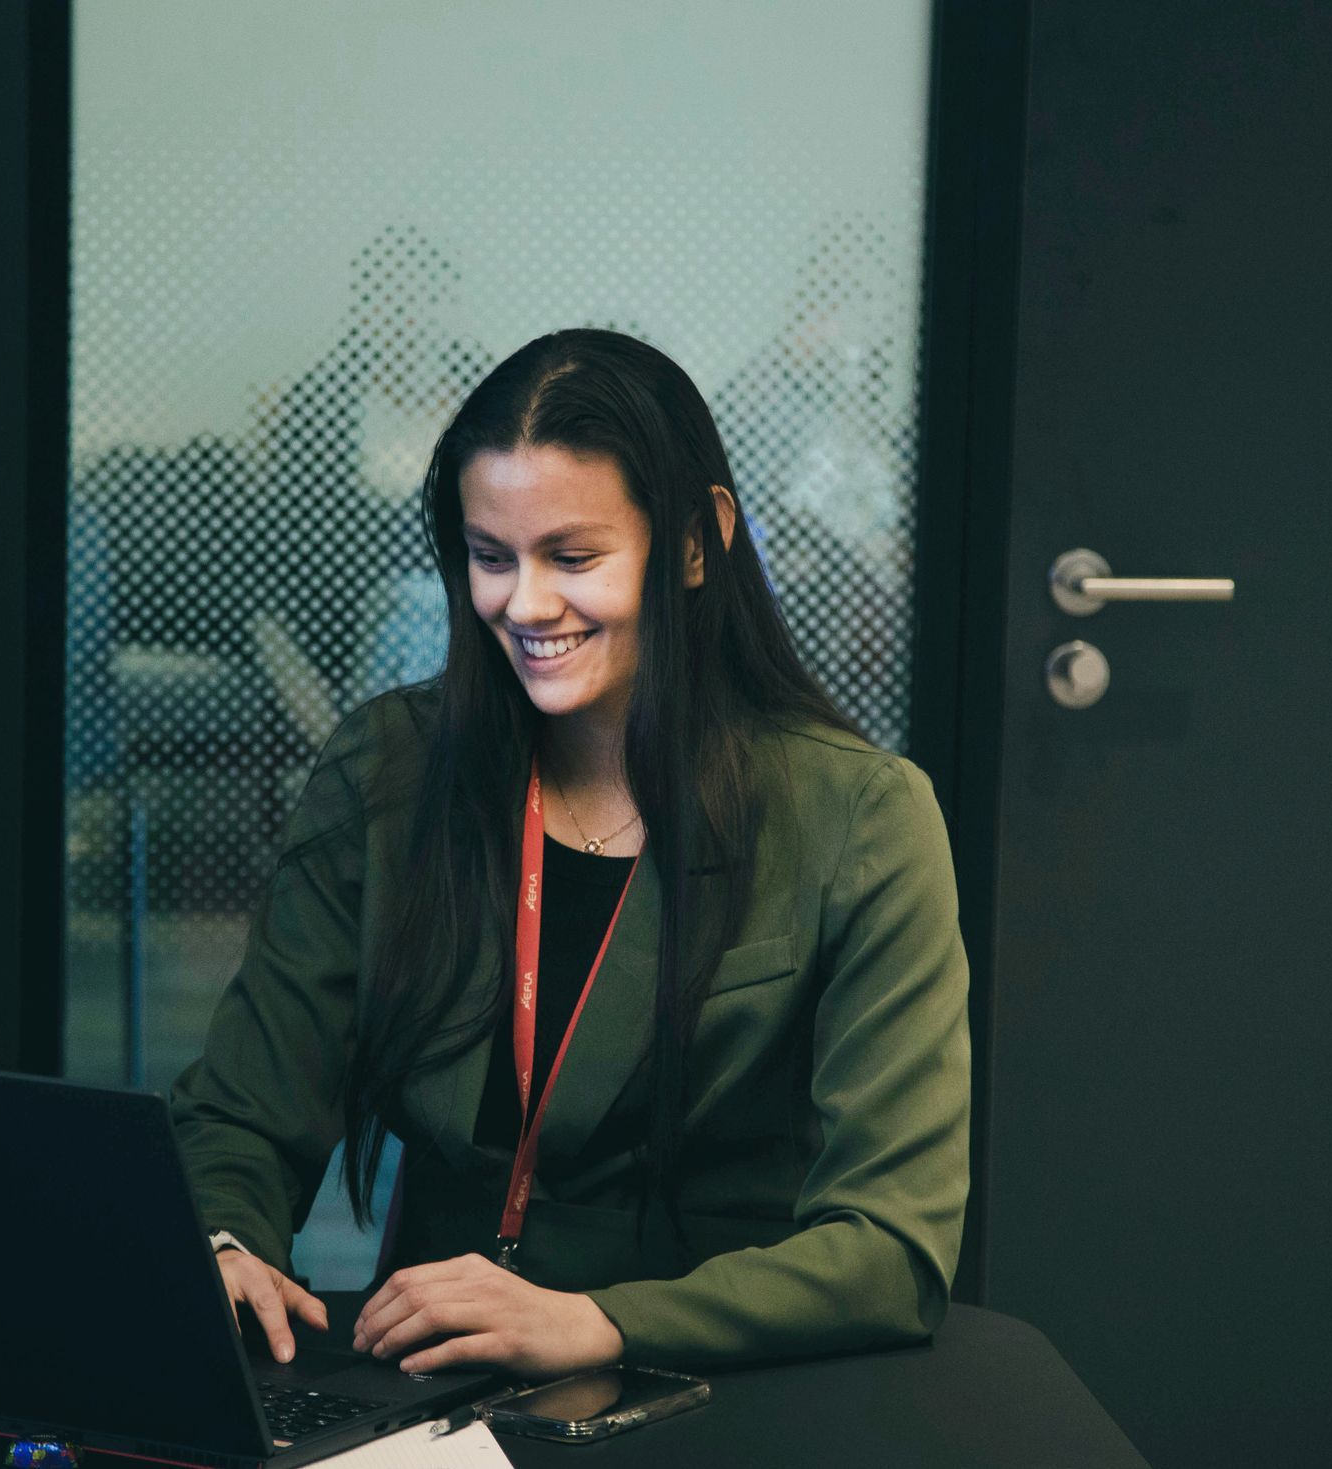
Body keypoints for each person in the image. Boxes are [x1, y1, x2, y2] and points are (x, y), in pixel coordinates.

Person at [169, 328, 970, 1379]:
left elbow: (889, 1250)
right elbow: (242, 1108)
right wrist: (224, 1241)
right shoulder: (389, 767)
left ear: (694, 540)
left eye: (572, 557)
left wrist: (601, 1320)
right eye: (489, 557)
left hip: (709, 1382)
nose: (523, 604)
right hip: (428, 1379)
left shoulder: (860, 814)